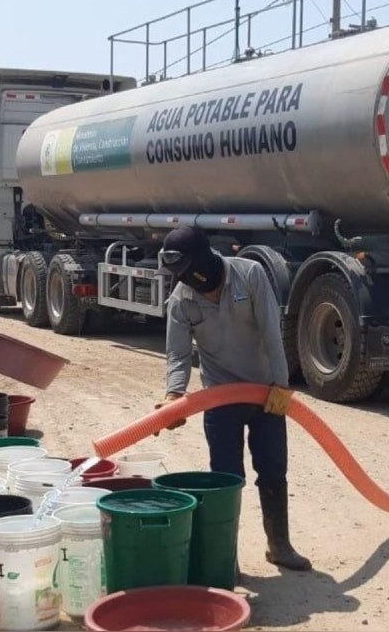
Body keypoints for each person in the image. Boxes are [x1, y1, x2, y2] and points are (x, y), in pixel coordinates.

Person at [157, 225, 312, 572]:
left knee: (273, 469)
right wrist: (173, 396)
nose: (184, 281)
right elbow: (178, 355)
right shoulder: (181, 300)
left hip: (266, 391)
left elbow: (273, 333)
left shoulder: (250, 275)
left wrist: (281, 386)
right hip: (220, 397)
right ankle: (225, 557)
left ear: (201, 261)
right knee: (226, 481)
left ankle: (280, 546)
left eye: (186, 272)